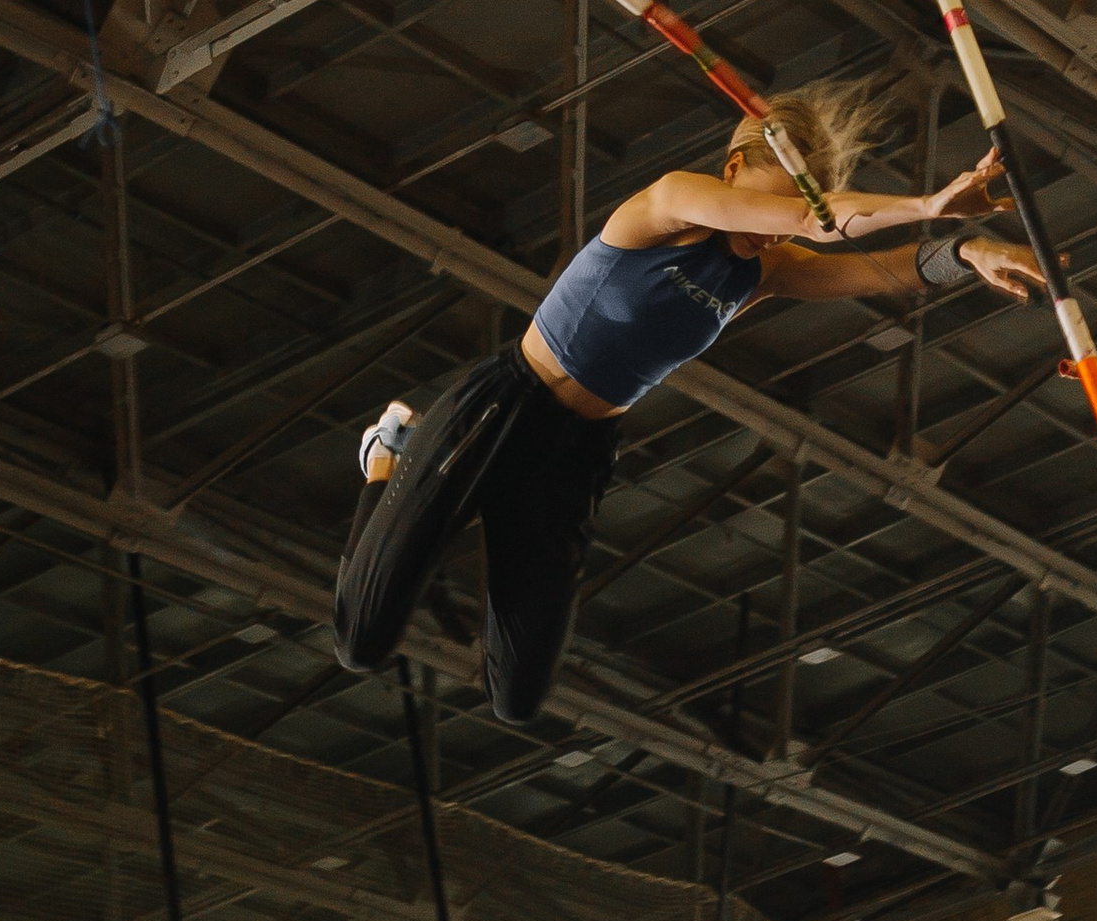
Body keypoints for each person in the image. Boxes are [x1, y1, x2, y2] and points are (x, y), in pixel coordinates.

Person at [333, 80, 1039, 723]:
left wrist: (970, 249)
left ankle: (411, 480)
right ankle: (385, 458)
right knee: (363, 642)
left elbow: (886, 269)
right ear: (734, 172)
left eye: (782, 224)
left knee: (517, 698)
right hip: (508, 405)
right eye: (771, 210)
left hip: (576, 456)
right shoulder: (670, 202)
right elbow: (816, 219)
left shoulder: (767, 269)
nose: (771, 232)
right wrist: (925, 204)